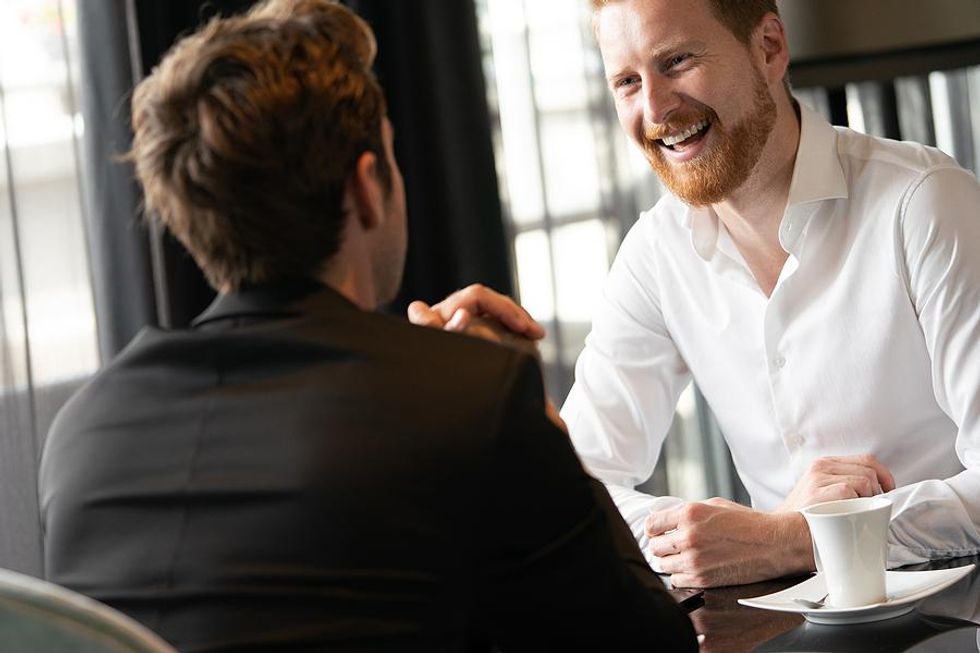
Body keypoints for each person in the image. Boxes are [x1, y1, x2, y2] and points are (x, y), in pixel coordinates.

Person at [38, 1, 698, 651]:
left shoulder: (84, 433)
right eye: (391, 153)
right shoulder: (468, 400)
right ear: (365, 185)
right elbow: (648, 642)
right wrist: (532, 418)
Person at [411, 0, 980, 589]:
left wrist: (796, 537)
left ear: (769, 49)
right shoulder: (656, 254)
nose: (655, 109)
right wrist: (731, 536)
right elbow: (576, 490)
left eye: (677, 61)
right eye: (628, 82)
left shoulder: (925, 204)